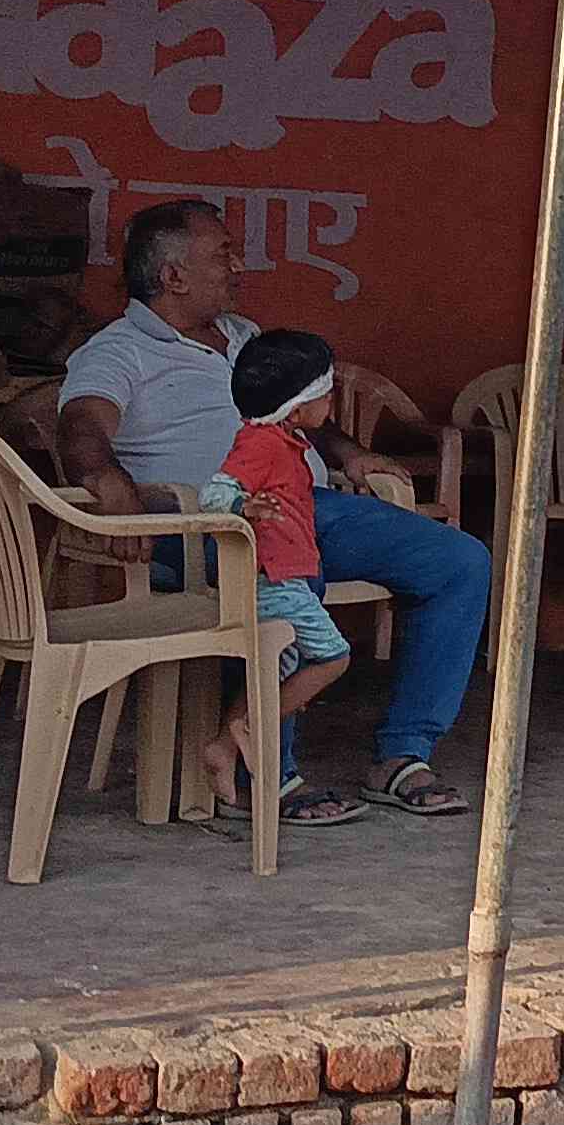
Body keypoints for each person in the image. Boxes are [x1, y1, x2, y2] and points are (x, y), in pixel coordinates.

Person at [57, 198, 485, 816]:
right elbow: (81, 428)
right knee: (286, 572)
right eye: (223, 254)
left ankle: (402, 755)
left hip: (307, 507)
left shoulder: (244, 337)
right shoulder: (117, 351)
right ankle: (265, 775)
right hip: (208, 527)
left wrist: (352, 454)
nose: (238, 267)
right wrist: (111, 485)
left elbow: (297, 414)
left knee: (459, 562)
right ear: (173, 276)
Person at [197, 329, 368, 828]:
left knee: (279, 665)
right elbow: (214, 495)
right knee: (332, 656)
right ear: (296, 408)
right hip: (275, 581)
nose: (330, 404)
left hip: (288, 574)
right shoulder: (261, 443)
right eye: (325, 395)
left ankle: (223, 746)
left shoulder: (284, 441)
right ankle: (252, 726)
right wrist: (243, 506)